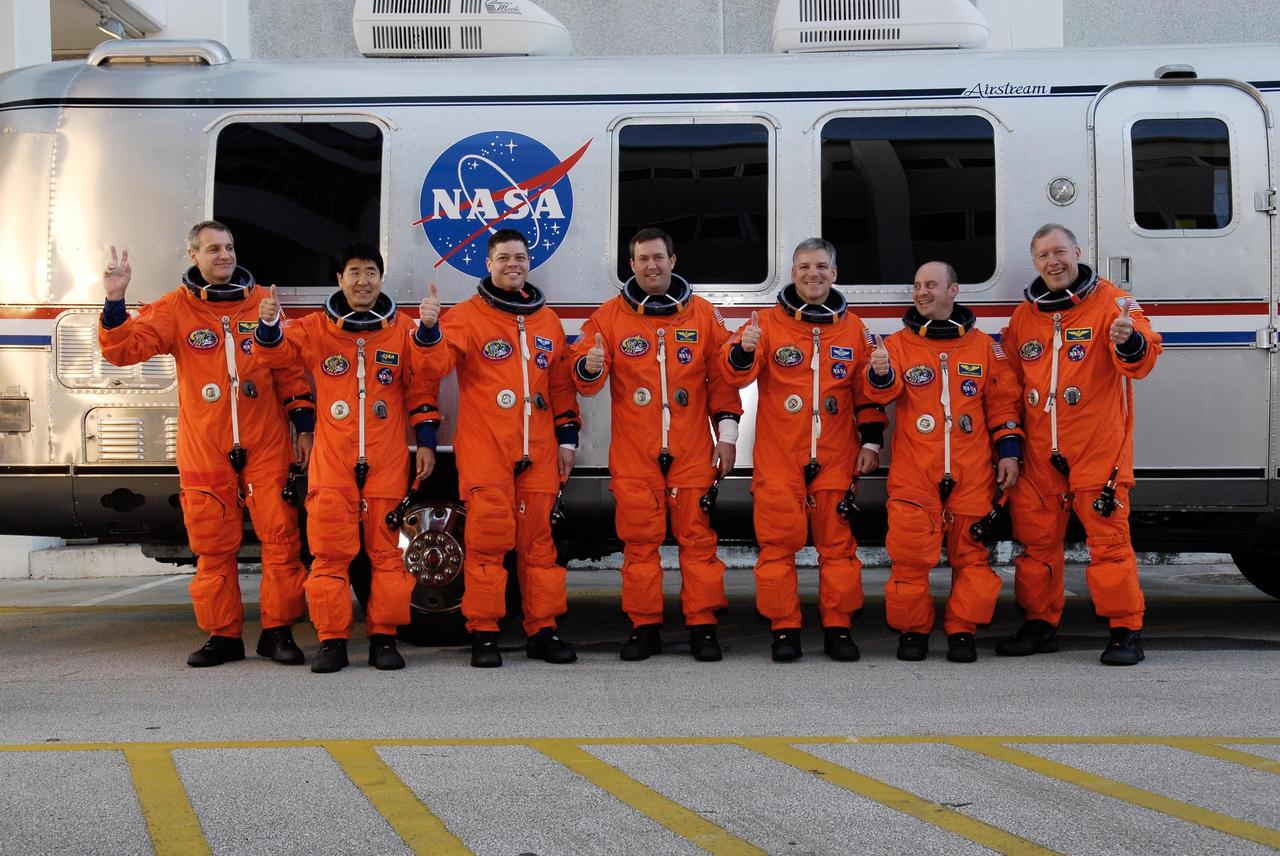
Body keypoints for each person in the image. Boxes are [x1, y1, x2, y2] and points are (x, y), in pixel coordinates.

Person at [98, 221, 314, 668]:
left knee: (281, 541)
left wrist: (304, 425)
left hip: (265, 442)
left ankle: (277, 632)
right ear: (193, 254)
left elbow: (290, 371)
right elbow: (124, 350)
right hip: (205, 446)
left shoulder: (261, 305)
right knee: (213, 546)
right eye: (214, 249)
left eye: (230, 248)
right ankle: (223, 636)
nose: (225, 256)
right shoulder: (177, 308)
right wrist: (115, 300)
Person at [253, 242, 446, 673]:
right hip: (333, 462)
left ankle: (384, 639)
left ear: (381, 278)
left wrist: (428, 440)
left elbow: (424, 382)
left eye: (371, 272)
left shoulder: (403, 329)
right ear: (339, 279)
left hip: (387, 461)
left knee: (389, 556)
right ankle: (332, 641)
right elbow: (276, 356)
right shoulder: (318, 328)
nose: (363, 280)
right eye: (354, 272)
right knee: (329, 555)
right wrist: (268, 327)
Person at [572, 228, 743, 662]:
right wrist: (588, 366)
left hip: (691, 451)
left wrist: (727, 437)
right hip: (635, 455)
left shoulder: (703, 315)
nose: (652, 266)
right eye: (643, 259)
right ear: (631, 265)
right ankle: (644, 627)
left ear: (673, 260)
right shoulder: (609, 317)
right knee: (640, 546)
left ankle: (702, 626)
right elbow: (584, 380)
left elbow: (722, 378)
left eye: (659, 258)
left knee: (698, 543)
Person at [998, 223, 1161, 666]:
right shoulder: (1024, 317)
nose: (1053, 262)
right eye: (1043, 256)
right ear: (1034, 263)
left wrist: (1131, 342)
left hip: (1096, 447)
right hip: (1037, 453)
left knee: (1108, 544)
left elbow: (1144, 360)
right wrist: (1010, 445)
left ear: (1077, 251)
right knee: (1035, 546)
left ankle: (1125, 631)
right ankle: (1040, 624)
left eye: (1059, 252)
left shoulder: (1113, 303)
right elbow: (1007, 385)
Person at [421, 229, 582, 668]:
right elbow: (435, 366)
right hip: (487, 450)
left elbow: (563, 386)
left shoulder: (546, 320)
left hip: (540, 451)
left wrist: (568, 439)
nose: (514, 264)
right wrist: (430, 330)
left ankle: (543, 631)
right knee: (488, 544)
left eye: (521, 257)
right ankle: (486, 634)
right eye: (505, 257)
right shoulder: (468, 317)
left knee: (540, 549)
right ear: (488, 264)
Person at [719, 238, 886, 662]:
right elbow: (734, 376)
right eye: (805, 267)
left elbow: (867, 393)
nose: (814, 274)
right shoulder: (766, 322)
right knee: (777, 547)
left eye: (822, 267)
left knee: (838, 549)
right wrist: (743, 349)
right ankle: (784, 629)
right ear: (792, 274)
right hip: (780, 457)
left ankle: (838, 628)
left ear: (834, 273)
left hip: (835, 455)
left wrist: (870, 441)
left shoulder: (856, 329)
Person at [864, 261, 1023, 663]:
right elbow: (879, 394)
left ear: (953, 290)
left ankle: (963, 632)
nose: (921, 292)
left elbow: (1002, 405)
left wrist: (1008, 453)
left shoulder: (985, 347)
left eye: (931, 285)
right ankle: (913, 632)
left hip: (972, 473)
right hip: (916, 473)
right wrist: (879, 374)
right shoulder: (896, 345)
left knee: (971, 559)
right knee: (910, 559)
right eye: (917, 285)